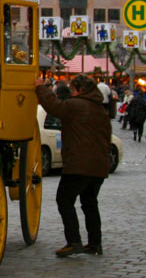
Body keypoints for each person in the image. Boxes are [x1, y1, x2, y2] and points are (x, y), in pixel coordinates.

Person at [35, 73, 111, 257]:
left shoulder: (76, 105)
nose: (71, 93)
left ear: (80, 89)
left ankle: (74, 241)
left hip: (79, 164)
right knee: (90, 203)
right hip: (98, 166)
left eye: (73, 89)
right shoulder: (100, 110)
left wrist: (40, 88)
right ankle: (95, 244)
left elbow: (54, 107)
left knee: (64, 199)